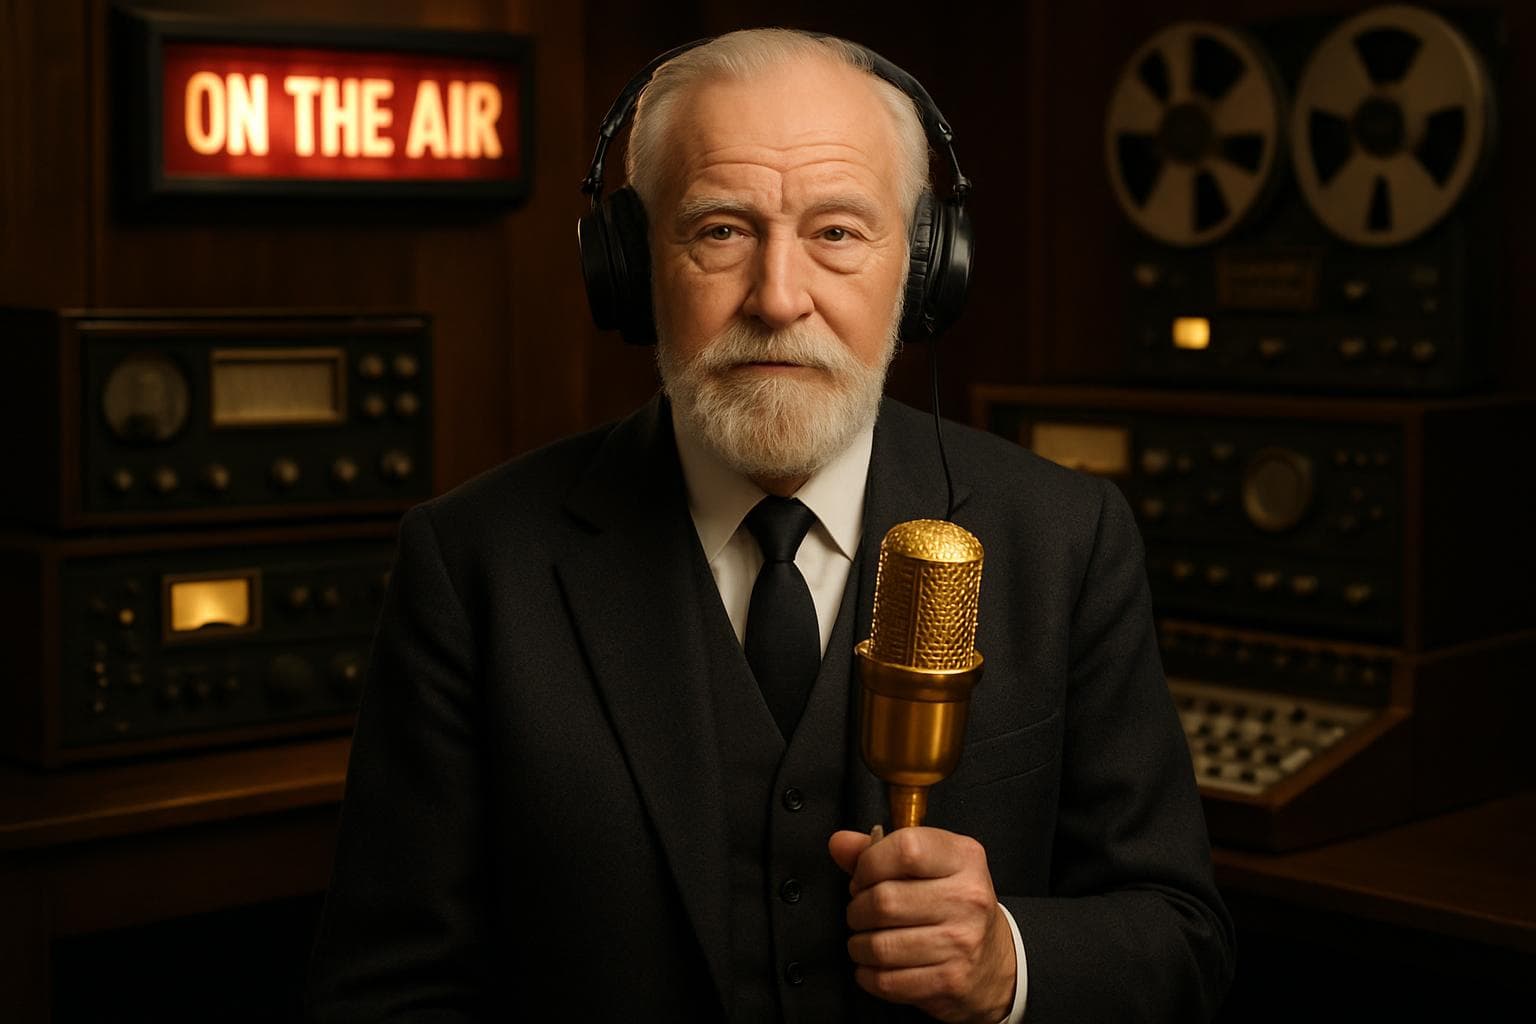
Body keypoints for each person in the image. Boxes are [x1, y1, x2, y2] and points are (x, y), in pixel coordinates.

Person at [307, 28, 1235, 1023]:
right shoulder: (472, 562)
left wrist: (1008, 961)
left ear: (922, 268)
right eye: (720, 230)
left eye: (837, 232)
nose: (778, 297)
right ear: (631, 265)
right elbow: (388, 993)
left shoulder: (1068, 537)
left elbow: (1184, 942)